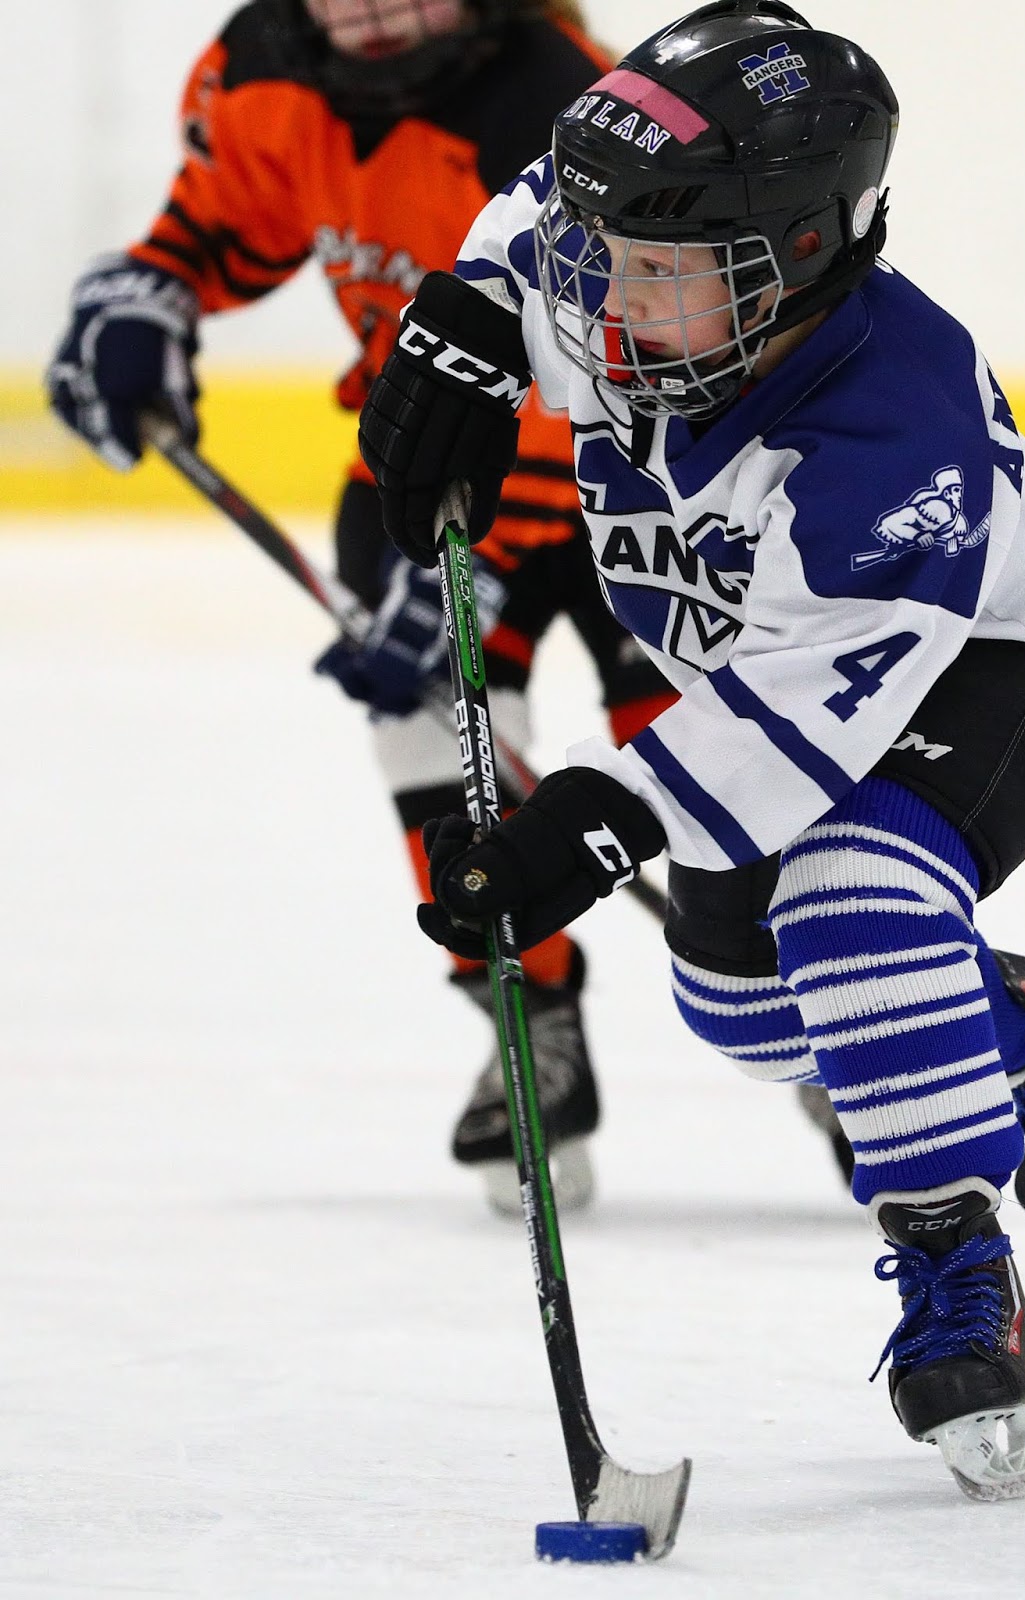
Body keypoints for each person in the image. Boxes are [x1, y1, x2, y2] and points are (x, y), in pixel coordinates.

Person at [354, 0, 1025, 1499]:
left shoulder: (890, 445)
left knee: (848, 896)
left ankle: (959, 1268)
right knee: (750, 1013)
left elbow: (791, 720)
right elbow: (543, 217)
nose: (608, 310)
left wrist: (581, 820)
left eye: (663, 275)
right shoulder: (650, 290)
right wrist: (458, 324)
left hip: (975, 669)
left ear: (798, 260)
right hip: (752, 679)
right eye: (606, 268)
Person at [44, 0, 687, 1210]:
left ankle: (813, 1008)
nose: (375, 12)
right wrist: (150, 292)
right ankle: (527, 1013)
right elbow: (229, 219)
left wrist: (482, 564)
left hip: (629, 489)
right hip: (424, 457)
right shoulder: (262, 72)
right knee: (434, 741)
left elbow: (617, 346)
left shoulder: (555, 100)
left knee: (698, 777)